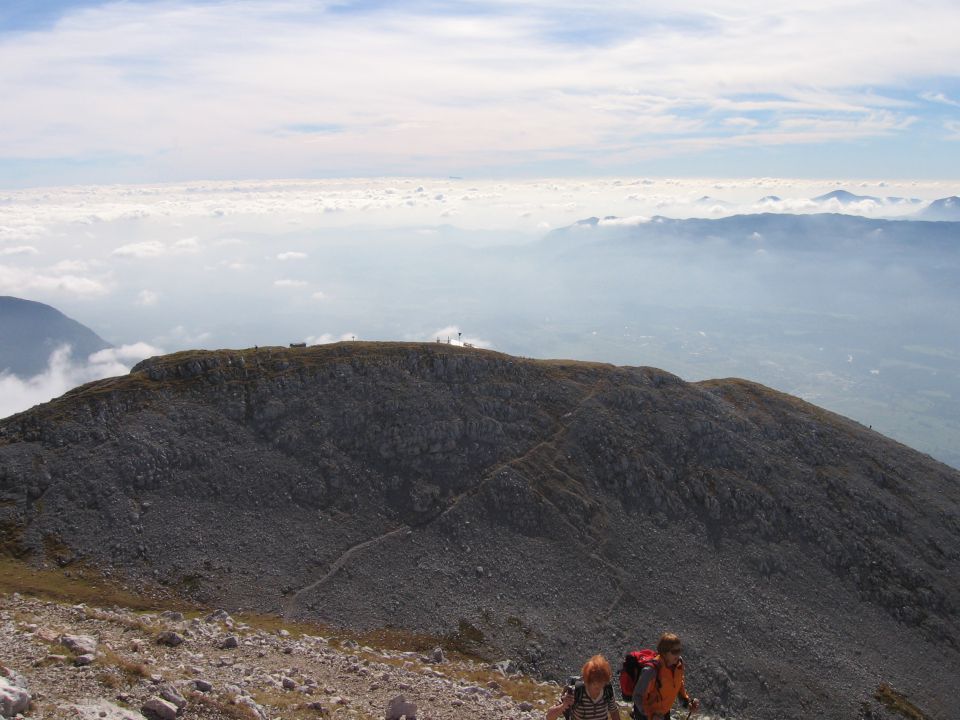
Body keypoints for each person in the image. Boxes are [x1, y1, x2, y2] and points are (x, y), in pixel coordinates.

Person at [631, 633, 700, 720]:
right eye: (674, 652)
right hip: (646, 715)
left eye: (679, 650)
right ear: (664, 652)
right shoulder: (651, 670)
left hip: (663, 713)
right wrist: (651, 715)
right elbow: (637, 696)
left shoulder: (678, 665)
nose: (678, 654)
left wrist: (687, 703)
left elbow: (679, 683)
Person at [546, 654, 622, 720]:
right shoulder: (575, 692)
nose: (599, 687)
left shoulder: (607, 690)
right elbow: (549, 717)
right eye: (595, 683)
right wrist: (563, 706)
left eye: (602, 683)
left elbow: (614, 712)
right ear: (587, 681)